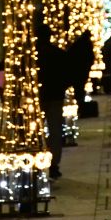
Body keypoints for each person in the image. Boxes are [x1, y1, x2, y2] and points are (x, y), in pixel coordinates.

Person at [36, 19, 70, 179]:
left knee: (36, 130)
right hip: (55, 96)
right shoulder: (59, 54)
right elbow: (67, 75)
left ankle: (38, 161)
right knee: (55, 130)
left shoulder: (32, 57)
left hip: (38, 97)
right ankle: (54, 163)